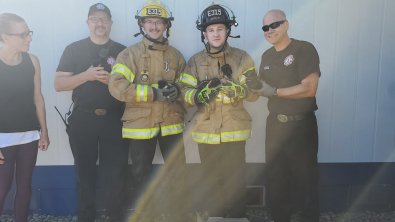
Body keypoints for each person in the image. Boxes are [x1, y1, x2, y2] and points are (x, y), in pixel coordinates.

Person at [108, 1, 187, 221]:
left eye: (158, 22)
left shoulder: (176, 56)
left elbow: (187, 86)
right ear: (142, 25)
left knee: (177, 172)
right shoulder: (129, 54)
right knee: (141, 174)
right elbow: (116, 86)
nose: (154, 26)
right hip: (141, 126)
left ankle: (177, 216)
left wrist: (178, 90)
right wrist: (153, 93)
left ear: (165, 25)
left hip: (171, 121)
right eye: (149, 22)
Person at [178, 2, 259, 219]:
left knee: (236, 178)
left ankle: (237, 216)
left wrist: (239, 90)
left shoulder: (242, 58)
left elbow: (255, 92)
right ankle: (215, 216)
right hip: (206, 131)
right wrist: (197, 96)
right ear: (204, 33)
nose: (216, 34)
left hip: (234, 129)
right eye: (211, 30)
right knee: (211, 179)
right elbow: (184, 93)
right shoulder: (194, 61)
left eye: (220, 29)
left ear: (228, 30)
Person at [54, 3, 128, 222]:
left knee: (115, 174)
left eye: (104, 19)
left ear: (111, 23)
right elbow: (59, 84)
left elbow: (131, 87)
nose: (100, 23)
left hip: (114, 119)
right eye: (95, 19)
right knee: (84, 173)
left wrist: (114, 84)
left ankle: (115, 217)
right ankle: (85, 217)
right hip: (82, 119)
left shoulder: (123, 51)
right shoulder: (73, 49)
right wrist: (86, 75)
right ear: (88, 22)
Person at [246, 9, 320, 222]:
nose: (269, 30)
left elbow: (310, 88)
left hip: (300, 125)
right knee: (276, 177)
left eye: (274, 25)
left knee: (305, 178)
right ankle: (279, 217)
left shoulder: (303, 49)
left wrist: (275, 92)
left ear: (286, 25)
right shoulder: (267, 56)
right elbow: (261, 88)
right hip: (275, 125)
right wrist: (244, 87)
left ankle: (309, 218)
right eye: (265, 28)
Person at [0, 13, 50, 222]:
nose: (29, 38)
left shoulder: (32, 61)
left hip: (29, 135)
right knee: (3, 188)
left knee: (25, 185)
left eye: (28, 33)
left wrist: (44, 132)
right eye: (22, 35)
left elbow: (37, 98)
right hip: (2, 138)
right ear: (5, 37)